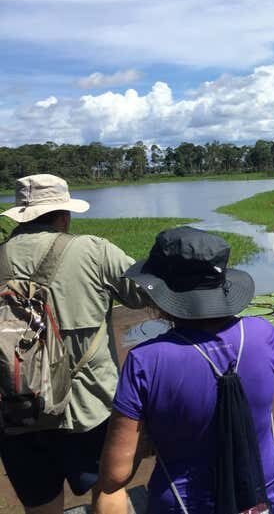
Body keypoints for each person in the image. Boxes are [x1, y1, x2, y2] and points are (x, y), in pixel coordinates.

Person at [97, 226, 274, 514]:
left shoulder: (145, 360)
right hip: (265, 503)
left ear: (163, 295)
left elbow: (114, 475)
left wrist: (150, 437)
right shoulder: (260, 335)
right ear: (223, 287)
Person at [0, 174, 147, 514]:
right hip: (88, 407)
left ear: (21, 215)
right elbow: (142, 295)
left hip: (17, 410)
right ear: (64, 215)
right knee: (108, 490)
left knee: (41, 506)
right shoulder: (94, 250)